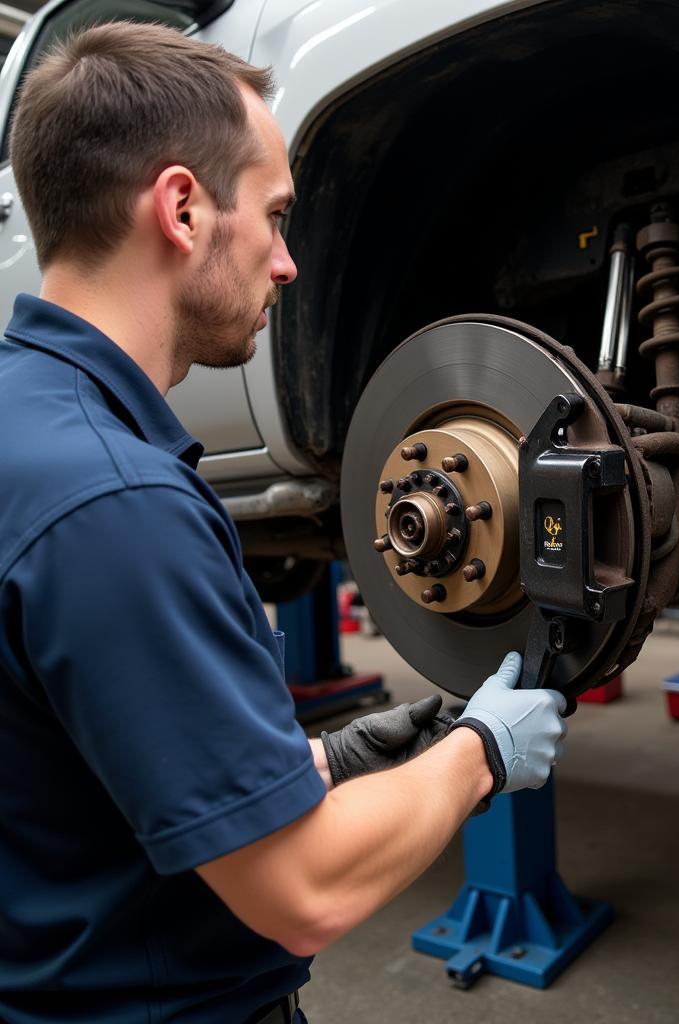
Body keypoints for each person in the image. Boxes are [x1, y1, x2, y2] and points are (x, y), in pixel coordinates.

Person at [0, 22, 568, 1024]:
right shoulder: (116, 505)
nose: (290, 264)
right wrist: (478, 750)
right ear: (180, 209)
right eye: (273, 216)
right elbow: (304, 891)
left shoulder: (28, 431)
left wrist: (323, 762)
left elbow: (79, 763)